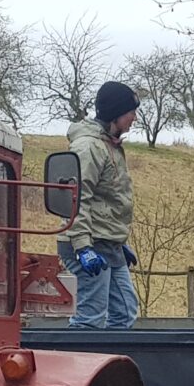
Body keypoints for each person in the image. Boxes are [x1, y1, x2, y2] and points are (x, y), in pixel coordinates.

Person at [60, 81, 140, 328]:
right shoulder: (89, 147)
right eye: (131, 112)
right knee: (90, 319)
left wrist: (118, 241)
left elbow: (106, 201)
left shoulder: (110, 145)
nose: (134, 118)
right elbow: (77, 198)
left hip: (107, 244)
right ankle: (78, 364)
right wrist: (83, 247)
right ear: (116, 113)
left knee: (124, 312)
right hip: (86, 242)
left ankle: (111, 365)